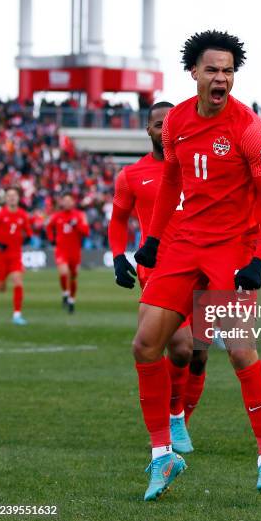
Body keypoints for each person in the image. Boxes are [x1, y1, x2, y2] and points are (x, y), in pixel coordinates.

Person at [134, 30, 261, 500]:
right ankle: (163, 456)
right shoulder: (176, 120)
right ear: (194, 73)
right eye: (213, 70)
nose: (222, 78)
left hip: (233, 251)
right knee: (145, 345)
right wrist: (154, 240)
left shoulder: (250, 129)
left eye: (229, 71)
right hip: (184, 245)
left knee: (239, 350)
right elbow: (171, 182)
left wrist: (258, 260)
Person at [108, 101, 200, 455]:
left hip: (203, 269)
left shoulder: (198, 169)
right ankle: (173, 416)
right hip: (160, 270)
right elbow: (118, 220)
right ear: (148, 130)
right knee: (180, 346)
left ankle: (178, 416)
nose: (165, 129)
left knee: (197, 355)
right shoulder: (131, 175)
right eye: (158, 124)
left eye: (171, 123)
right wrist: (118, 258)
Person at [0, 187, 32, 325]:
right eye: (9, 195)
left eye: (14, 195)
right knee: (1, 288)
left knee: (18, 280)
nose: (12, 198)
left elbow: (28, 231)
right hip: (1, 256)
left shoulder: (23, 215)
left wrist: (28, 237)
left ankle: (17, 315)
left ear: (18, 198)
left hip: (16, 255)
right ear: (5, 199)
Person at [46, 192, 89, 314]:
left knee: (74, 277)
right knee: (64, 273)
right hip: (61, 250)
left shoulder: (80, 215)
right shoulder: (57, 216)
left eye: (69, 200)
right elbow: (48, 227)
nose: (67, 203)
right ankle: (65, 292)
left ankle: (71, 300)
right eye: (65, 201)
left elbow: (86, 232)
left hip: (75, 251)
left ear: (73, 202)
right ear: (62, 203)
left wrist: (77, 226)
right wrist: (51, 239)